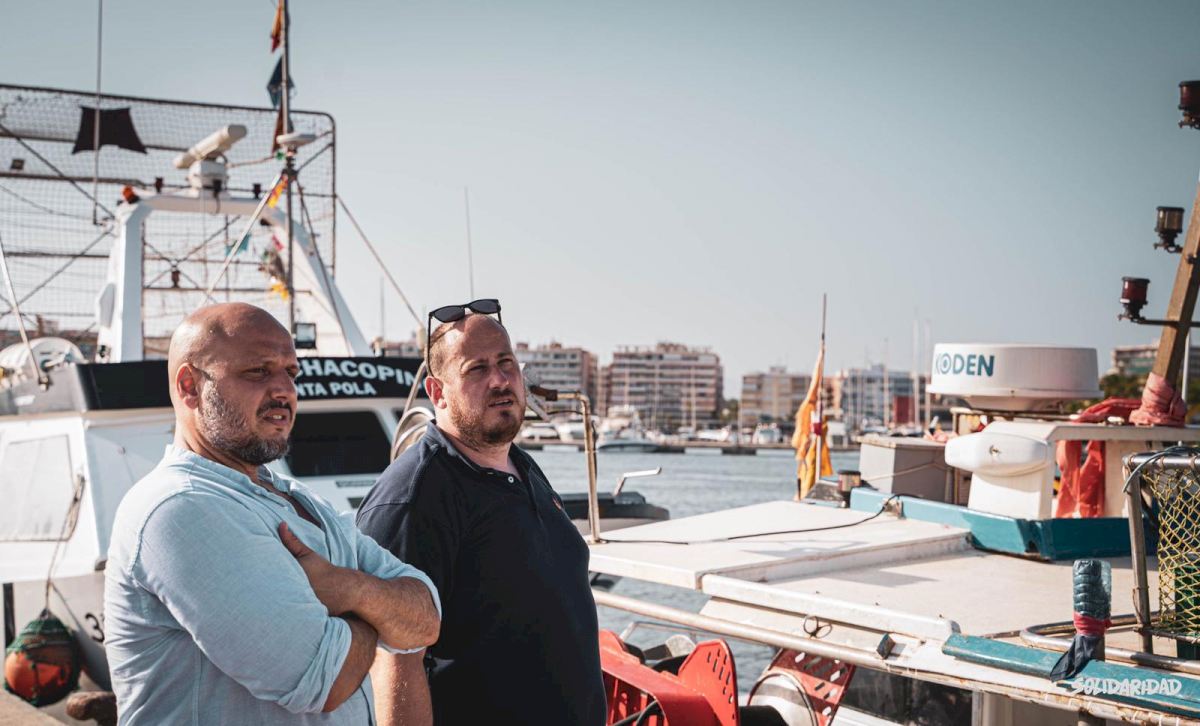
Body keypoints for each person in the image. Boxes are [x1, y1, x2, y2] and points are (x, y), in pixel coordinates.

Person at [104, 302, 441, 725]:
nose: (284, 390)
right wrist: (381, 613)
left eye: (291, 373)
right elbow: (327, 679)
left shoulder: (300, 499)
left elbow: (426, 620)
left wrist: (348, 589)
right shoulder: (178, 507)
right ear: (190, 386)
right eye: (258, 371)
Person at [357, 303, 606, 725]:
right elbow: (388, 662)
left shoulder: (521, 466)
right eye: (477, 369)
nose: (500, 380)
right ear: (437, 392)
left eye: (506, 363)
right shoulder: (414, 499)